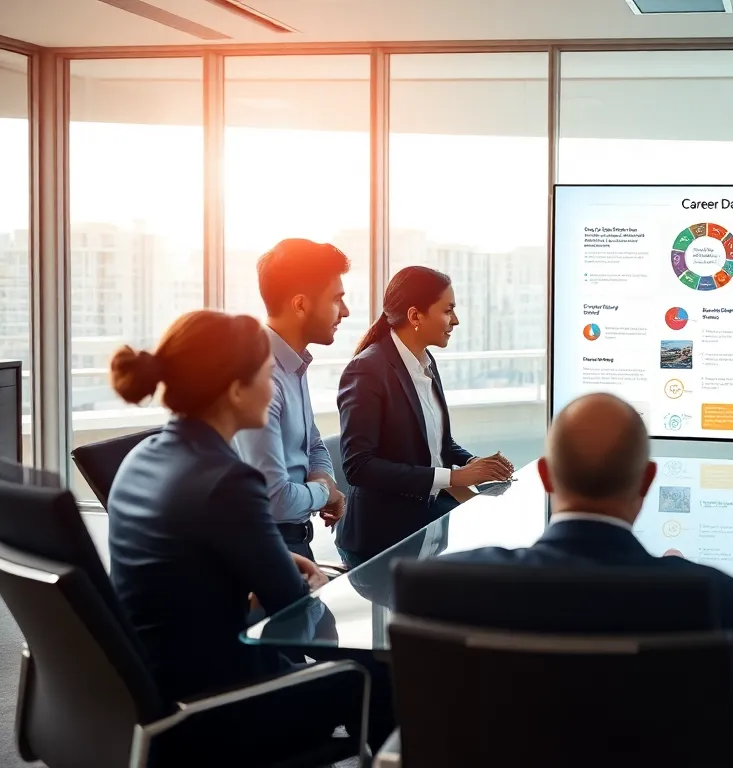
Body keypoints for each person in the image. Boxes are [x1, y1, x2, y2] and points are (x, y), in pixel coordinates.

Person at [104, 311, 367, 755]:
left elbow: (181, 563)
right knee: (375, 678)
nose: (273, 388)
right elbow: (292, 613)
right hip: (217, 706)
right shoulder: (228, 480)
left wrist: (266, 569)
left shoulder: (141, 456)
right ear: (236, 389)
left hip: (147, 685)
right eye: (266, 374)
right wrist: (315, 585)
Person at [440, 392, 733, 730]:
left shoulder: (450, 585)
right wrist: (675, 575)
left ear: (545, 475)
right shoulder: (714, 595)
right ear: (647, 479)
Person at [337, 266, 514, 566]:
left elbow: (436, 442)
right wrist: (455, 477)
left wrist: (473, 463)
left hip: (429, 523)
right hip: (382, 539)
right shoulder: (367, 370)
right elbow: (359, 467)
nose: (455, 320)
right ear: (415, 316)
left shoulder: (425, 360)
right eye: (448, 310)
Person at [233, 238, 351, 560]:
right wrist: (325, 492)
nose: (345, 311)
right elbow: (275, 500)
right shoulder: (263, 378)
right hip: (266, 549)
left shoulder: (293, 364)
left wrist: (323, 478)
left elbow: (313, 444)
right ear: (300, 305)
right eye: (336, 300)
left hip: (294, 540)